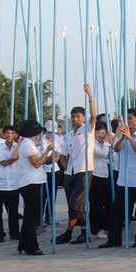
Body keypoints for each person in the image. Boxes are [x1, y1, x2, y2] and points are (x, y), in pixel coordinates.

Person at [104, 108, 136, 248]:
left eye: (131, 118)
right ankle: (114, 239)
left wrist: (130, 138)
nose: (129, 121)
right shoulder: (124, 133)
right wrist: (123, 137)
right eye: (128, 118)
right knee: (117, 210)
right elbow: (116, 148)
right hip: (124, 178)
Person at [56, 85, 97, 245]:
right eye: (73, 117)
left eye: (78, 116)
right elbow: (64, 153)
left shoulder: (87, 130)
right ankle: (84, 232)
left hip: (83, 170)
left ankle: (68, 232)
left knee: (75, 204)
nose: (75, 119)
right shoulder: (68, 135)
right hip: (70, 172)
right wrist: (64, 165)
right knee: (76, 206)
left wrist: (90, 96)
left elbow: (93, 115)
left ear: (83, 118)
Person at [12, 120, 52, 255]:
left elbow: (40, 160)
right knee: (31, 217)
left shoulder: (29, 144)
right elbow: (36, 163)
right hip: (30, 183)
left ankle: (23, 243)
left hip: (33, 181)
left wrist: (49, 156)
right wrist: (47, 151)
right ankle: (32, 246)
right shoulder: (28, 145)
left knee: (30, 215)